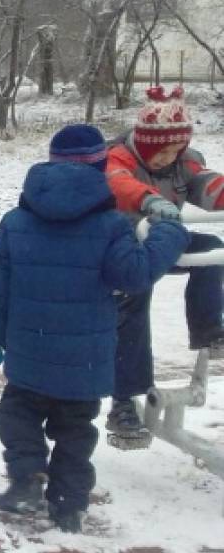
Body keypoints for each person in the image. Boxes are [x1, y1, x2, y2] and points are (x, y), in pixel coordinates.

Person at [0, 125, 188, 532]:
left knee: (16, 412)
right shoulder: (111, 226)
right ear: (100, 167)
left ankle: (26, 477)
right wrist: (170, 231)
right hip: (86, 362)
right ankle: (69, 504)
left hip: (28, 353)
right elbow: (135, 274)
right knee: (75, 430)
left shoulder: (15, 222)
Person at [104, 86, 224, 447]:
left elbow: (204, 183)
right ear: (146, 144)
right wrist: (149, 198)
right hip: (120, 246)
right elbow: (117, 183)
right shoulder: (119, 158)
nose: (167, 158)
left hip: (160, 240)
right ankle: (124, 401)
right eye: (163, 152)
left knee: (211, 251)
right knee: (132, 308)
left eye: (176, 151)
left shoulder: (182, 162)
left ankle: (207, 330)